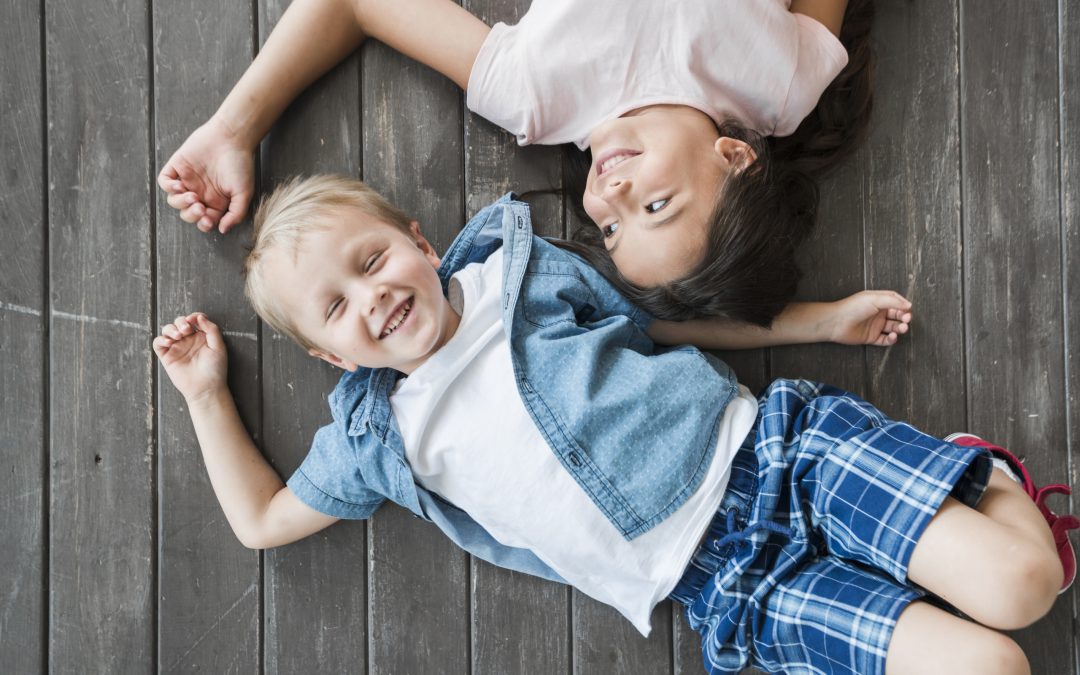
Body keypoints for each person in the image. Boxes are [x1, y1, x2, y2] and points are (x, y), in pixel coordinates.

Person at [154, 176, 1076, 675]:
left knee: (1026, 580)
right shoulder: (379, 437)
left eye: (373, 258)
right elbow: (262, 520)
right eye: (336, 307)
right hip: (722, 584)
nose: (374, 294)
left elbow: (669, 318)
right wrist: (205, 393)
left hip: (779, 454)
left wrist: (820, 320)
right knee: (991, 667)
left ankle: (975, 472)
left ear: (421, 241)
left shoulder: (523, 278)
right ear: (332, 358)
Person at [158, 0, 874, 325]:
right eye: (655, 205)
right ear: (735, 157)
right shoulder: (782, 87)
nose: (612, 194)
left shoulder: (535, 96)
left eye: (615, 229)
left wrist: (233, 129)